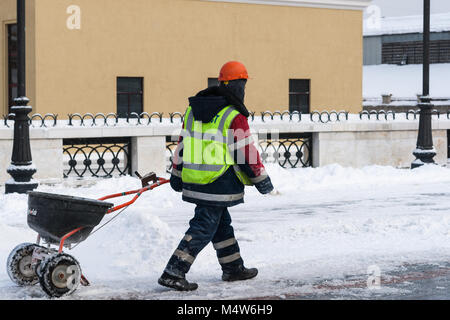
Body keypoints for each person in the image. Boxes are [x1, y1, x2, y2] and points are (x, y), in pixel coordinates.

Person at [158, 61, 274, 291]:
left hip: (195, 180)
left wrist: (177, 173)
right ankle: (174, 271)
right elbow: (246, 152)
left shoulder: (193, 110)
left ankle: (233, 268)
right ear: (239, 86)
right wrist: (262, 181)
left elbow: (182, 143)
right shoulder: (233, 115)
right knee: (203, 226)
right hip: (219, 182)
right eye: (244, 85)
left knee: (221, 224)